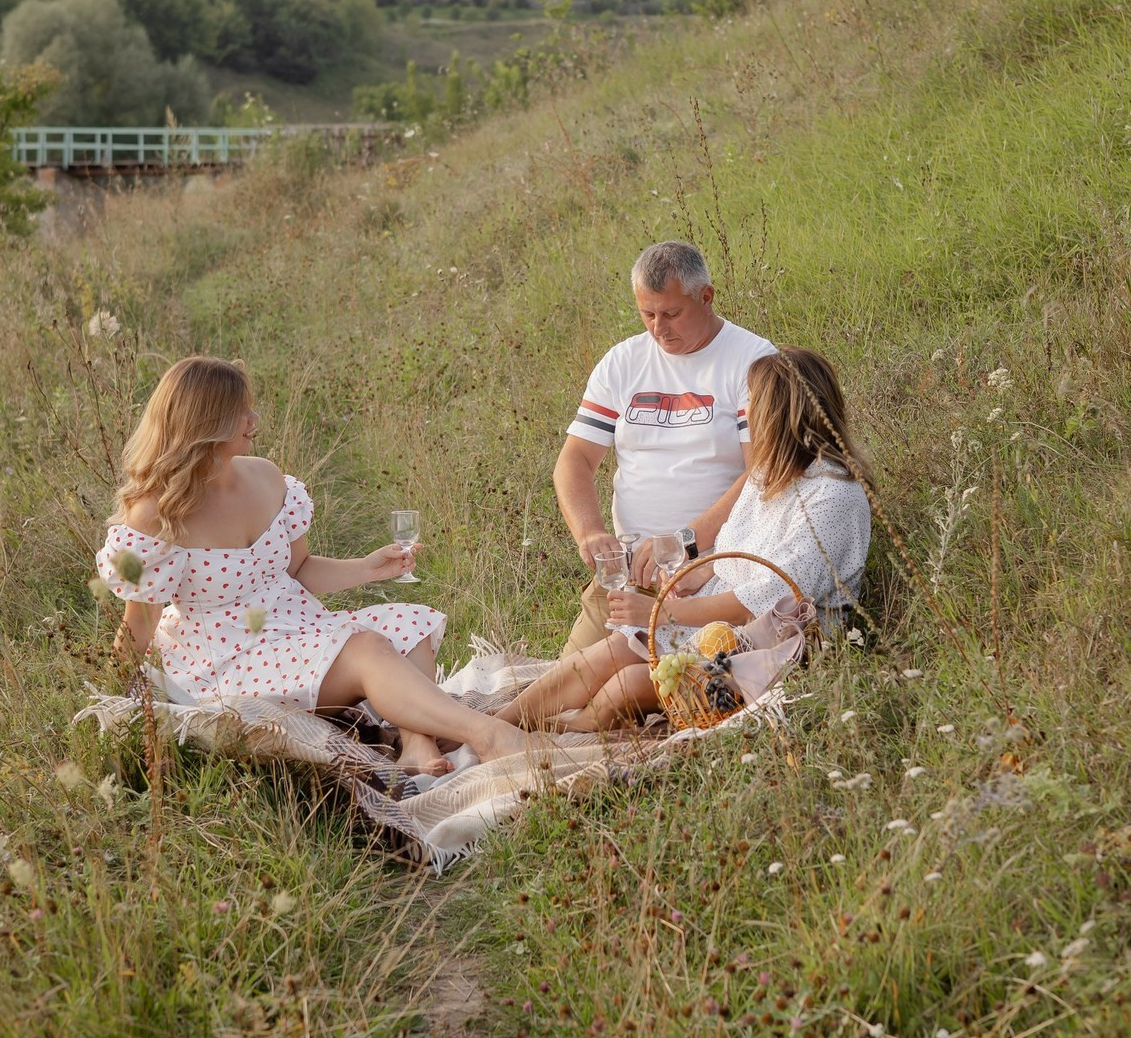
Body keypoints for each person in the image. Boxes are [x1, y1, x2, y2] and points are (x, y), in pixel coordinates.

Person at [97, 356, 530, 775]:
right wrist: (118, 698)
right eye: (239, 411)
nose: (254, 418)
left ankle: (416, 743)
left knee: (408, 626)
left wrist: (366, 568)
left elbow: (298, 569)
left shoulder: (264, 476)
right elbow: (138, 625)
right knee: (367, 649)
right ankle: (486, 734)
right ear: (203, 422)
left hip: (297, 626)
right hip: (227, 655)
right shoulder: (156, 514)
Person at [498, 347, 872, 732]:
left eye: (752, 408)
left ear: (775, 417)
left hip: (774, 648)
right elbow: (737, 546)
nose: (746, 420)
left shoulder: (833, 495)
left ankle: (556, 732)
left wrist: (661, 612)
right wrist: (701, 567)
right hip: (721, 631)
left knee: (628, 682)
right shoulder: (768, 476)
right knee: (615, 650)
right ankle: (494, 723)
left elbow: (766, 600)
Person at [555, 240, 775, 656]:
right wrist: (590, 533)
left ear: (706, 297)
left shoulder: (754, 362)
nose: (658, 328)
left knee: (640, 696)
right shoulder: (622, 363)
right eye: (647, 314)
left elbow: (761, 472)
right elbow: (575, 460)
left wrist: (683, 542)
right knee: (561, 687)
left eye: (672, 313)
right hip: (627, 572)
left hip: (712, 571)